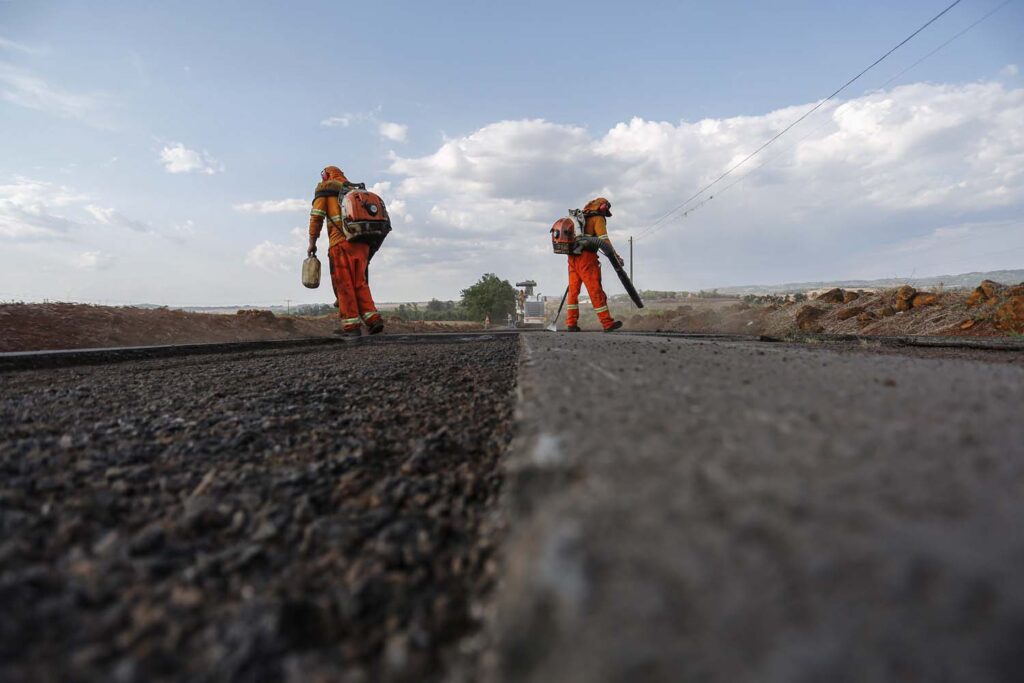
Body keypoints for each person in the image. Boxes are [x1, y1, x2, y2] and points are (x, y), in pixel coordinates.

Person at [307, 166, 384, 336]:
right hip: (362, 243)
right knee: (360, 282)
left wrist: (312, 242)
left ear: (325, 176)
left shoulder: (325, 191)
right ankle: (373, 319)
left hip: (341, 244)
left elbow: (316, 217)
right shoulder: (352, 190)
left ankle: (351, 327)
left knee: (344, 284)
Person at [565, 197, 623, 332]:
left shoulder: (581, 217)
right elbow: (604, 240)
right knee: (595, 290)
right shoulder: (598, 219)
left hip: (572, 258)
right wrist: (616, 256)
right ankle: (607, 323)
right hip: (586, 259)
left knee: (573, 292)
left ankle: (571, 323)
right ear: (603, 208)